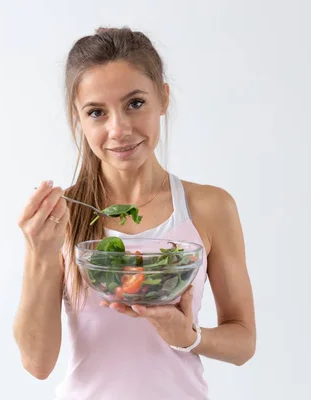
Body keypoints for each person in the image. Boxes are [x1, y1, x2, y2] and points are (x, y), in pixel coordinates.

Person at [13, 26, 256, 400]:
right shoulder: (63, 217)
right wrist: (39, 253)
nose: (119, 129)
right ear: (79, 119)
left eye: (135, 103)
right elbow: (37, 363)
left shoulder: (209, 208)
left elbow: (243, 341)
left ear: (163, 97)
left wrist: (189, 338)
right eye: (97, 112)